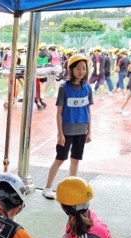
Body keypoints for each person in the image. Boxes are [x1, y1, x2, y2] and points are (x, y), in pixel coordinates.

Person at [42, 54, 93, 200]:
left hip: (81, 130)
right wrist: (60, 134)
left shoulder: (87, 88)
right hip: (67, 130)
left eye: (84, 68)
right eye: (78, 68)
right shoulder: (64, 88)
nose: (81, 71)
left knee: (75, 159)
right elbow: (59, 113)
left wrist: (89, 131)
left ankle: (72, 187)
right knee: (60, 158)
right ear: (71, 69)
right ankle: (48, 187)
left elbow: (88, 111)